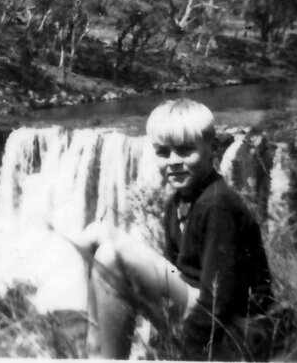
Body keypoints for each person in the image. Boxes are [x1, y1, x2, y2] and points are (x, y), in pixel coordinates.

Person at [75, 99, 275, 361]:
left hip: (235, 327)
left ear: (213, 148)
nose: (173, 161)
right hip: (199, 307)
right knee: (93, 236)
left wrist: (185, 351)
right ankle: (95, 350)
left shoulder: (217, 205)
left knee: (114, 257)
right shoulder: (177, 202)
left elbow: (221, 298)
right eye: (163, 152)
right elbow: (175, 269)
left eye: (185, 150)